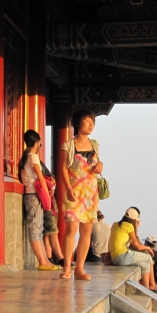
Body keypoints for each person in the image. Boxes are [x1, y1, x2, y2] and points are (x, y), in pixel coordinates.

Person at [60, 109, 104, 280]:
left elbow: (97, 163)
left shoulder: (95, 144)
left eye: (93, 122)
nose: (91, 125)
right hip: (74, 191)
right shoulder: (69, 145)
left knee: (86, 231)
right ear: (78, 123)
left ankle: (79, 268)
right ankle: (66, 267)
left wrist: (100, 164)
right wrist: (68, 188)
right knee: (71, 228)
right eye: (87, 121)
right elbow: (64, 168)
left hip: (90, 193)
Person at [19, 130, 61, 271]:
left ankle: (45, 261)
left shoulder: (25, 157)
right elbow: (40, 176)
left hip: (30, 195)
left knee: (37, 229)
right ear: (36, 142)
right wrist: (47, 193)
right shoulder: (33, 157)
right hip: (34, 196)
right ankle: (42, 261)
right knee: (35, 230)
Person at [109, 207, 157, 291]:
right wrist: (148, 247)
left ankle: (146, 290)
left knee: (145, 265)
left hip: (115, 258)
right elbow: (137, 245)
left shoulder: (115, 224)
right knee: (148, 258)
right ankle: (152, 284)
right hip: (123, 255)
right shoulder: (129, 226)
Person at [40, 162, 64, 265]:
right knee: (52, 231)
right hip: (48, 203)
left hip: (46, 202)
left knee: (47, 233)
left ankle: (49, 257)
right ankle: (60, 258)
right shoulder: (35, 161)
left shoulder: (40, 167)